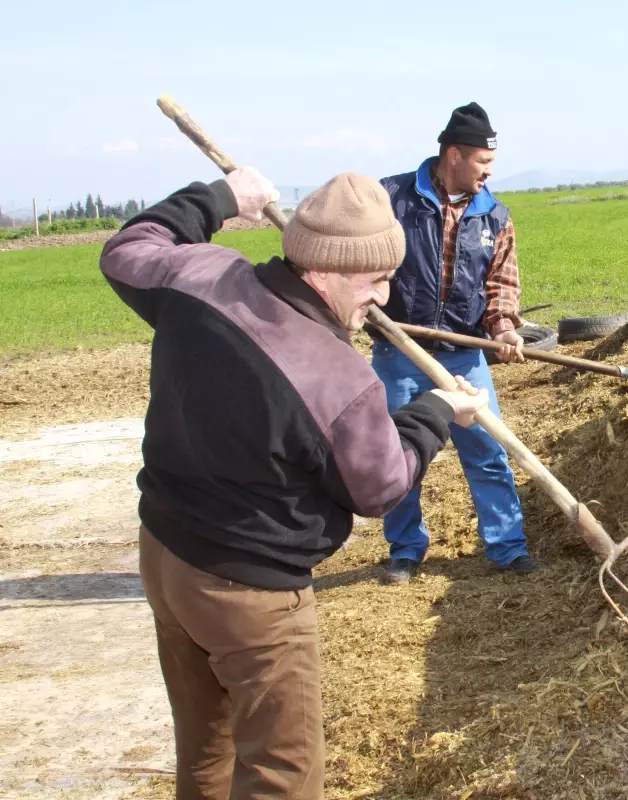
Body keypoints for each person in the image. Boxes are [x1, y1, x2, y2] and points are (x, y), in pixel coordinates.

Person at [100, 167, 488, 799]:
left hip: (166, 559)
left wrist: (221, 198)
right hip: (251, 596)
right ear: (325, 271)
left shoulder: (202, 279)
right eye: (376, 280)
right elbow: (381, 485)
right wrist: (440, 410)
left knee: (207, 751)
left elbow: (128, 250)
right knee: (281, 774)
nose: (384, 298)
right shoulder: (336, 378)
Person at [373, 102, 535, 583]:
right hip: (400, 351)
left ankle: (508, 548)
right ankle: (405, 549)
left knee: (487, 451)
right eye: (482, 165)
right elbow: (366, 262)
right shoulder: (390, 199)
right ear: (453, 156)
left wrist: (504, 329)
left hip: (466, 356)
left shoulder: (494, 216)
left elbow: (501, 288)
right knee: (401, 454)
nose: (488, 175)